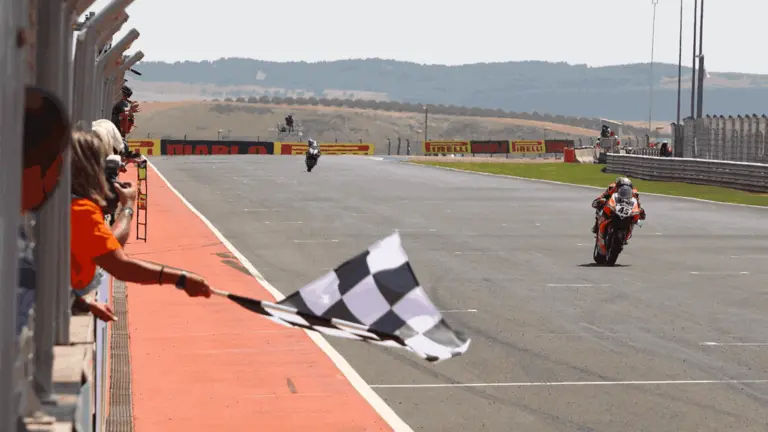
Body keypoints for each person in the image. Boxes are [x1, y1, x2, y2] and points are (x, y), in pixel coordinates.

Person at [69, 130, 211, 322]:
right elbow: (120, 265)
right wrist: (181, 279)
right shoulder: (79, 210)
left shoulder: (62, 206)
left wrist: (81, 302)